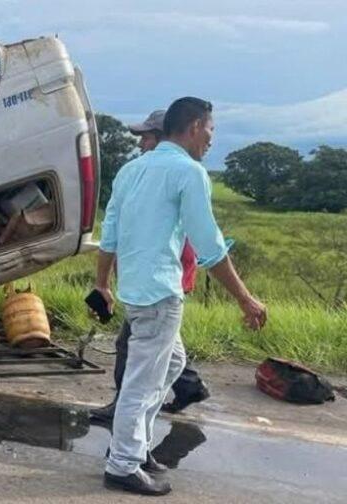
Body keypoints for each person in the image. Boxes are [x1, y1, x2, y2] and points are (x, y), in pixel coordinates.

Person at [95, 97, 266, 496]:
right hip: (159, 295)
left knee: (172, 363)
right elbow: (209, 244)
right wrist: (246, 299)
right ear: (192, 127)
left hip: (136, 291)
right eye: (210, 130)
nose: (211, 139)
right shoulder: (188, 172)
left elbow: (111, 234)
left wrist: (103, 284)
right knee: (142, 381)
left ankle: (134, 448)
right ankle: (122, 463)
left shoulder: (131, 170)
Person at [90, 110, 210, 423]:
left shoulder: (172, 175)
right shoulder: (147, 174)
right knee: (162, 347)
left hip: (160, 281)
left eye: (146, 136)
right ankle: (186, 388)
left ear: (163, 137)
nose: (141, 143)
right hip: (151, 282)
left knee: (136, 348)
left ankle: (125, 419)